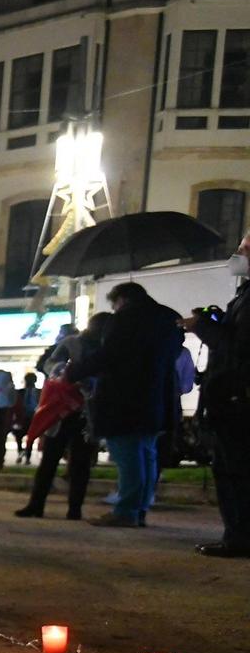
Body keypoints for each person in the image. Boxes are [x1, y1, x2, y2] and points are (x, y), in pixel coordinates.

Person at [71, 281, 184, 528]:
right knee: (146, 455)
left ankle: (126, 510)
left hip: (124, 400)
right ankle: (140, 507)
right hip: (157, 398)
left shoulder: (124, 321)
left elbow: (107, 356)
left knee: (128, 456)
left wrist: (73, 373)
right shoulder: (169, 319)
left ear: (121, 300)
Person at [187, 229, 250, 556]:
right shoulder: (244, 294)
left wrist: (201, 327)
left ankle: (238, 538)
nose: (237, 254)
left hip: (237, 399)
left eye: (243, 247)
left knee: (234, 471)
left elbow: (236, 349)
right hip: (232, 395)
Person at [17, 319, 103, 521]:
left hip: (86, 411)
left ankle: (74, 508)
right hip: (61, 408)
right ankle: (37, 504)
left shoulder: (105, 346)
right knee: (50, 460)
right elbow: (50, 365)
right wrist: (64, 372)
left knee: (79, 463)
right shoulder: (71, 344)